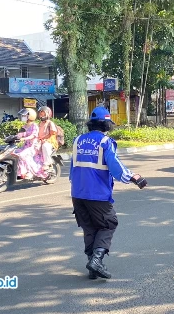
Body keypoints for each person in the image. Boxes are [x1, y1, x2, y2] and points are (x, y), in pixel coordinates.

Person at [69, 106, 148, 280]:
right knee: (108, 224)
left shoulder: (77, 140)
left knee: (89, 228)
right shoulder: (105, 142)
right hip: (96, 194)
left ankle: (92, 267)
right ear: (106, 124)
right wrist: (133, 177)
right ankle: (96, 261)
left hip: (77, 193)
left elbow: (72, 169)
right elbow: (115, 166)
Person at [13, 108, 45, 180]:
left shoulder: (34, 126)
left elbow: (33, 135)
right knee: (14, 153)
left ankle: (29, 172)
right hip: (25, 146)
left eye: (25, 116)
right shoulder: (24, 126)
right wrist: (13, 138)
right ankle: (19, 172)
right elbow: (20, 134)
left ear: (30, 116)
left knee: (22, 155)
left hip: (33, 147)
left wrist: (24, 138)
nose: (23, 117)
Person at [36, 106, 58, 171]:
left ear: (48, 114)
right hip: (40, 141)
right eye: (40, 114)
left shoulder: (50, 123)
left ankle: (47, 163)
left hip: (50, 142)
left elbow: (53, 134)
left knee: (45, 146)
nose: (41, 116)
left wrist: (45, 140)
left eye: (43, 114)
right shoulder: (39, 124)